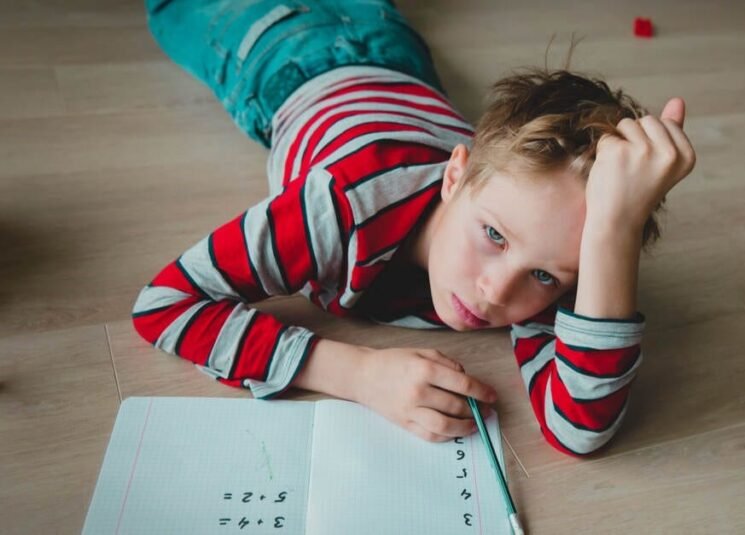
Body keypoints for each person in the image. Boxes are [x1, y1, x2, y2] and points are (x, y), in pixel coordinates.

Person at [134, 0, 695, 457]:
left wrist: (615, 234)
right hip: (286, 52)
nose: (496, 292)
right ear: (455, 176)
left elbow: (579, 430)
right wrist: (357, 374)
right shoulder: (341, 208)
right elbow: (164, 304)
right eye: (493, 235)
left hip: (399, 59)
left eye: (546, 276)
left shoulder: (554, 248)